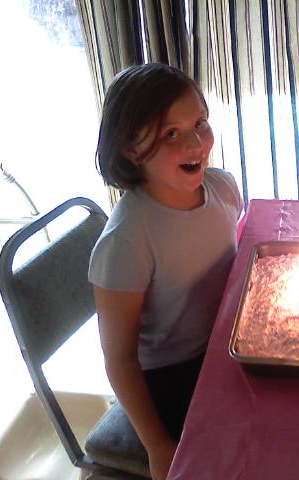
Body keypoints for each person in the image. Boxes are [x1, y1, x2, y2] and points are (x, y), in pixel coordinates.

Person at [88, 63, 243, 479]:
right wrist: (157, 445)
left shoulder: (224, 188)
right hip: (172, 375)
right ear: (130, 150)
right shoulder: (126, 243)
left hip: (225, 343)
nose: (195, 142)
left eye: (200, 123)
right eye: (170, 133)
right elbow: (120, 359)